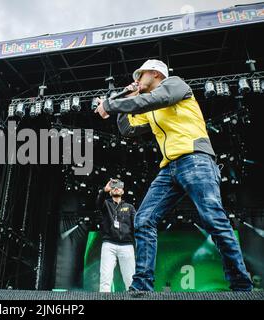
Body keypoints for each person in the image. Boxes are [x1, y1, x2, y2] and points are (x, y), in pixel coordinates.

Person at [94, 59, 253, 291]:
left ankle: (241, 285)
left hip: (196, 159)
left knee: (213, 219)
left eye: (141, 75)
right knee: (144, 219)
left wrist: (111, 104)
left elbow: (156, 99)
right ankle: (141, 286)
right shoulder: (151, 107)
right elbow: (127, 129)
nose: (137, 80)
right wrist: (122, 99)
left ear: (156, 74)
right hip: (169, 169)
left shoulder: (176, 85)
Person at [96, 179, 136, 292]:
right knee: (105, 278)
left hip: (126, 245)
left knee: (130, 279)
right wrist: (104, 190)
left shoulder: (130, 207)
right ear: (110, 191)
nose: (116, 188)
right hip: (109, 245)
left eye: (119, 186)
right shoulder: (106, 204)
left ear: (123, 191)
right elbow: (98, 202)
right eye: (114, 187)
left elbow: (136, 225)